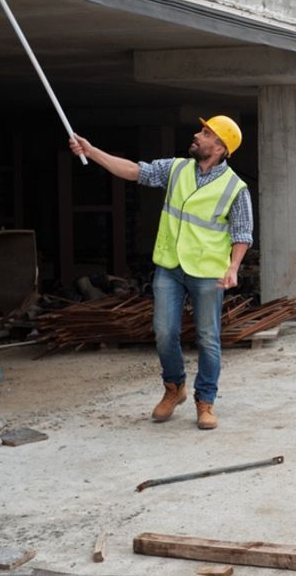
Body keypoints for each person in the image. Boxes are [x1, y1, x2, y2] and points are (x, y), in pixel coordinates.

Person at [69, 115, 252, 430]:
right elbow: (134, 171)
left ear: (220, 147)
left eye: (205, 133)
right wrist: (93, 151)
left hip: (208, 272)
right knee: (164, 332)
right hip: (169, 266)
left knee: (208, 339)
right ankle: (174, 387)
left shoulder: (235, 188)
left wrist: (233, 268)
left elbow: (242, 233)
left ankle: (205, 402)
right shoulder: (178, 168)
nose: (197, 134)